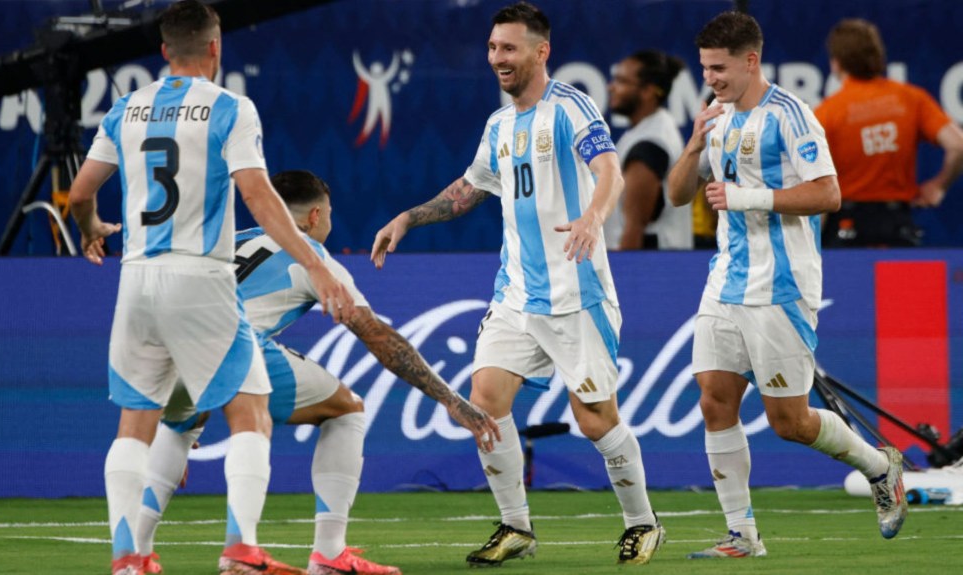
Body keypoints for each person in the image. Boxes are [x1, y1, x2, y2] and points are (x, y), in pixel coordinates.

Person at [372, 2, 664, 567]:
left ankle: (643, 522)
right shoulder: (499, 125)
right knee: (484, 401)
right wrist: (409, 217)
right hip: (515, 295)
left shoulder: (571, 108)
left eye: (508, 48)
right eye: (491, 48)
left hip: (577, 294)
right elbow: (469, 188)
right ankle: (516, 528)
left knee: (594, 418)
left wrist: (592, 218)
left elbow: (610, 171)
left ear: (540, 51)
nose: (497, 58)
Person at [67, 3, 355, 574]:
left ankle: (129, 559)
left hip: (137, 279)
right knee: (250, 413)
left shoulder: (126, 108)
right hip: (200, 276)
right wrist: (314, 264)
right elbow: (258, 195)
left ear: (164, 50)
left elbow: (79, 193)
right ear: (216, 48)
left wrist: (92, 229)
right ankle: (241, 549)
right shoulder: (230, 108)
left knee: (134, 424)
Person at [133, 170, 502, 575]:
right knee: (347, 410)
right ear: (313, 216)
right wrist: (450, 399)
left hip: (169, 345)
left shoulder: (234, 239)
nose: (329, 222)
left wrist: (184, 411)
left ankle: (136, 557)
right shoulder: (312, 256)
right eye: (328, 214)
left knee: (178, 433)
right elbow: (379, 338)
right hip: (238, 345)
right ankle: (324, 553)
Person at [667, 11, 907, 559]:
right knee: (714, 400)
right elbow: (679, 195)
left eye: (720, 68)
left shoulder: (792, 118)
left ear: (752, 60)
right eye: (705, 68)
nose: (711, 80)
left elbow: (828, 195)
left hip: (781, 287)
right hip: (725, 281)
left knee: (789, 422)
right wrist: (691, 145)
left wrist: (750, 197)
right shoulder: (716, 116)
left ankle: (880, 465)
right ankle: (742, 536)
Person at [816, 18, 963, 247]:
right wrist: (939, 186)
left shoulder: (827, 112)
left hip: (846, 229)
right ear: (877, 56)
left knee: (847, 284)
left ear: (836, 63)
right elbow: (958, 145)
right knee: (902, 284)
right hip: (897, 227)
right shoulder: (911, 99)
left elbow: (820, 186)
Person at [604, 50, 692, 250]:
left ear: (648, 91)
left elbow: (633, 227)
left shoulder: (650, 144)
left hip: (647, 271)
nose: (611, 87)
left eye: (622, 81)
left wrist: (625, 276)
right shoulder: (649, 130)